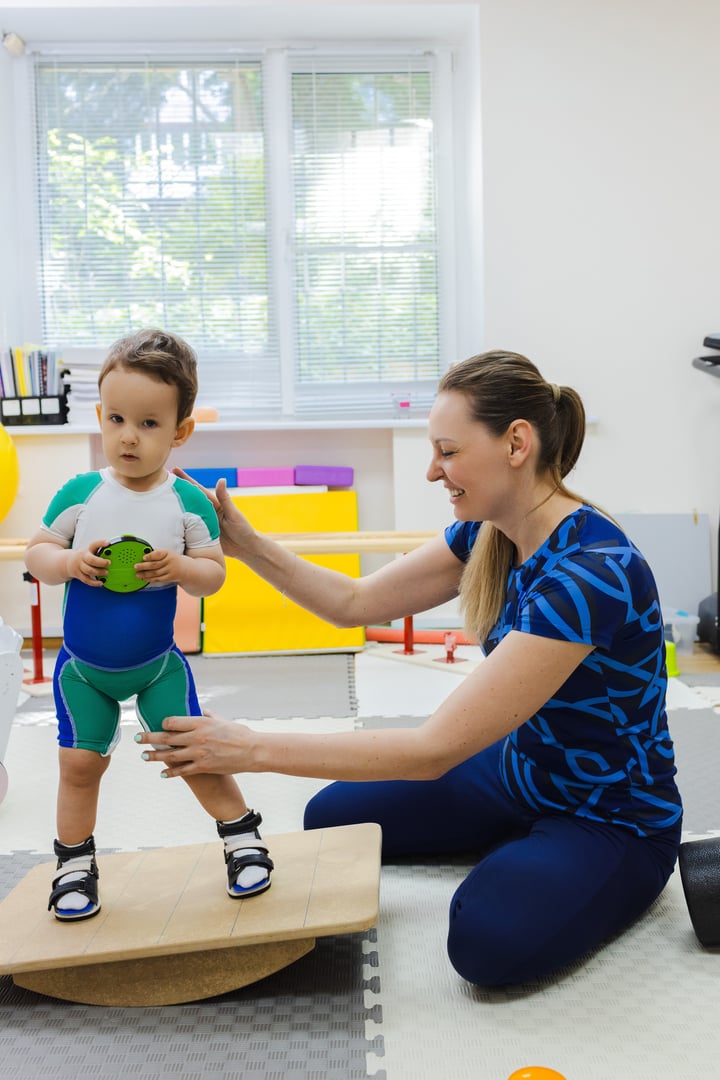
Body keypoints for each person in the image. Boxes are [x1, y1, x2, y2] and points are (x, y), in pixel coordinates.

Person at [138, 349, 682, 987]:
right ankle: (529, 845)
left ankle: (555, 859)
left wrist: (250, 748)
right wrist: (244, 541)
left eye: (447, 451)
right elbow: (354, 604)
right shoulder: (488, 533)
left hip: (612, 816)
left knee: (486, 940)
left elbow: (430, 752)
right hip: (521, 771)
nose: (432, 471)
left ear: (516, 443)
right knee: (334, 819)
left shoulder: (593, 575)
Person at [25, 328, 273, 922]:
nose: (128, 436)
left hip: (158, 665)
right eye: (115, 419)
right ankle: (73, 863)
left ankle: (242, 838)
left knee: (190, 751)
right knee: (79, 764)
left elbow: (212, 576)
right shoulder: (82, 492)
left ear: (180, 431)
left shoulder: (188, 504)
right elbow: (37, 553)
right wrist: (69, 563)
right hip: (83, 672)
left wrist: (182, 566)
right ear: (100, 418)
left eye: (149, 423)